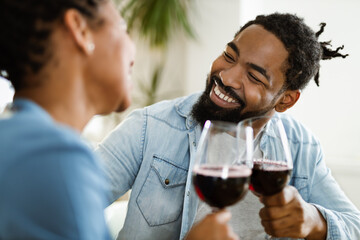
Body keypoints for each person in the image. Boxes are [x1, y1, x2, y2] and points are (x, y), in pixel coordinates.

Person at [95, 12, 360, 240]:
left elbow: (355, 227)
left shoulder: (301, 146)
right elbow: (58, 211)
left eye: (254, 76)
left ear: (285, 101)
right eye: (229, 56)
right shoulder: (149, 128)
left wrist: (315, 222)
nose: (226, 77)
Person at [0, 0, 236, 239]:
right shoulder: (56, 157)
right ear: (80, 30)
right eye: (122, 27)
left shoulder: (17, 140)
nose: (132, 48)